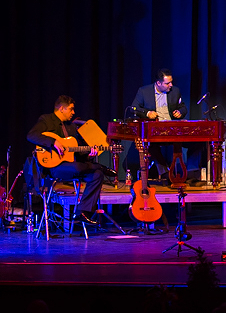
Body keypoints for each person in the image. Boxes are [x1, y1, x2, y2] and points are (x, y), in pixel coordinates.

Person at [27, 95, 117, 224]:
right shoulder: (46, 120)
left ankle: (83, 212)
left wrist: (89, 154)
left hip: (72, 166)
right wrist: (53, 142)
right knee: (78, 167)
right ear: (61, 109)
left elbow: (77, 152)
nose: (73, 112)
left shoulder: (71, 127)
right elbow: (31, 135)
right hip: (54, 167)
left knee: (97, 175)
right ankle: (99, 166)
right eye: (71, 109)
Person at [130, 69, 193, 178]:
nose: (171, 85)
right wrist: (147, 113)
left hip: (173, 128)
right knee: (150, 144)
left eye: (171, 82)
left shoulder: (175, 91)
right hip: (155, 129)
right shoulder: (144, 91)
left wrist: (180, 112)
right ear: (158, 83)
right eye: (167, 83)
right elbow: (133, 108)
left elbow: (183, 107)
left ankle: (192, 173)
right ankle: (165, 174)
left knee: (197, 142)